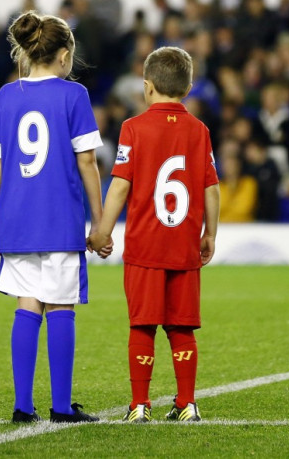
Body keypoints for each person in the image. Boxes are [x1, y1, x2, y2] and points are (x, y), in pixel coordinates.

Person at [0, 11, 105, 424]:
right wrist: (100, 221)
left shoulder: (5, 95)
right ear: (64, 56)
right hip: (59, 219)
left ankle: (22, 405)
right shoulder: (75, 96)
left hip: (15, 219)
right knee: (61, 305)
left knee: (27, 303)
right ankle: (62, 406)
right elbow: (87, 162)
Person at [89, 46, 220, 423]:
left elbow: (119, 186)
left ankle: (140, 405)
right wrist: (210, 233)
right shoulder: (200, 131)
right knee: (182, 326)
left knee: (142, 324)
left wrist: (101, 232)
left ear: (147, 87)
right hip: (183, 246)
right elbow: (212, 188)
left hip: (145, 246)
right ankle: (187, 403)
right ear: (189, 87)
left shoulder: (133, 128)